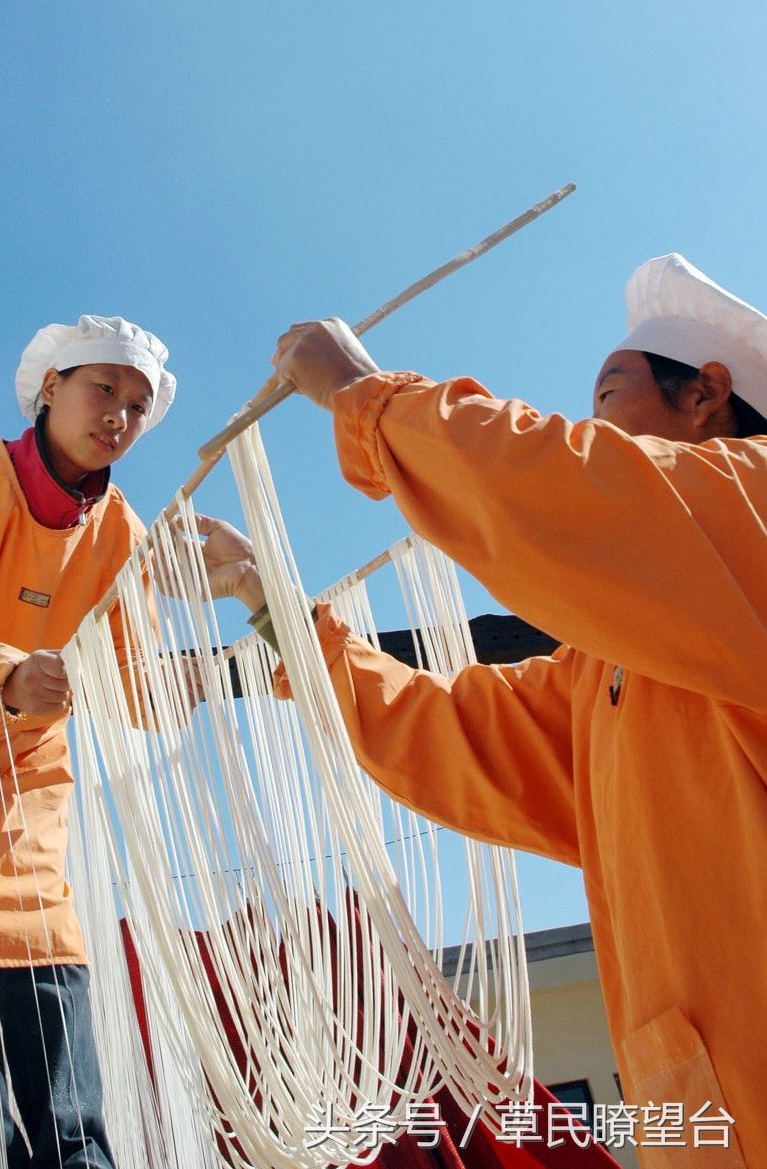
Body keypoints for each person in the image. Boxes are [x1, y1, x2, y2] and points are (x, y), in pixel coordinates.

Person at [196, 253, 767, 1167]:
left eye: (609, 396)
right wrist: (281, 618)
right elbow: (447, 731)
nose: (592, 426)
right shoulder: (609, 676)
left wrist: (367, 396)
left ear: (705, 396)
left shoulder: (754, 509)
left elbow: (574, 497)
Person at [0, 315, 176, 1168]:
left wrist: (239, 623)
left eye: (138, 406)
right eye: (104, 388)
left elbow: (140, 684)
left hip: (28, 780)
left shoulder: (126, 538)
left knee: (47, 969)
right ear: (50, 388)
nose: (120, 414)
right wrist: (5, 673)